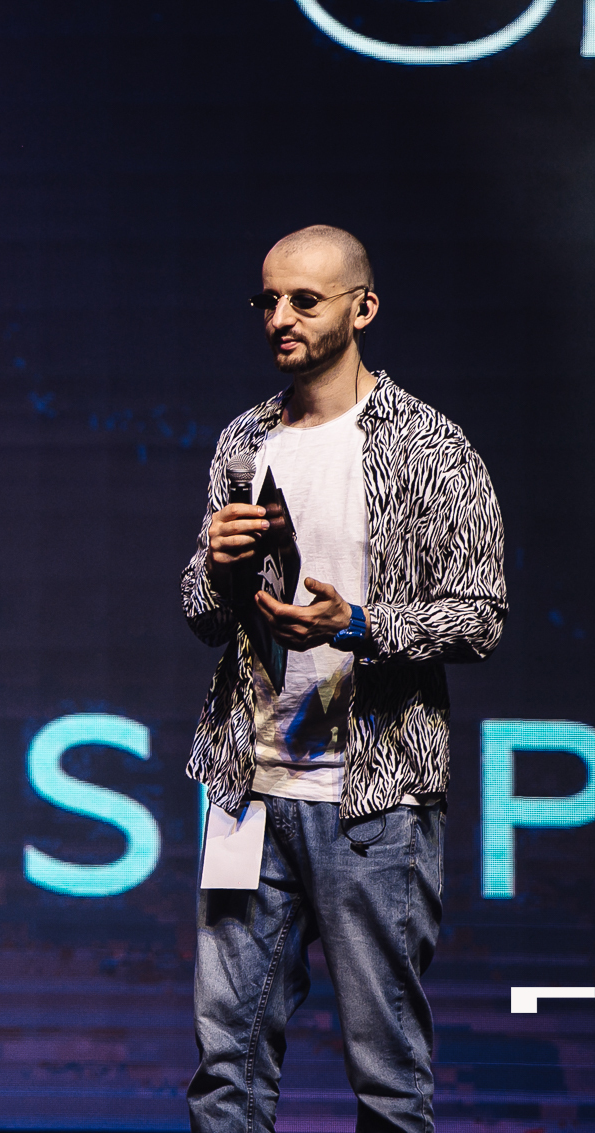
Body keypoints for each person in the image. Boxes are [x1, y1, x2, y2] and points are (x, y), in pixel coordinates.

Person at [180, 226, 506, 1130]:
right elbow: (202, 614)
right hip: (246, 787)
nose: (279, 318)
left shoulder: (429, 447)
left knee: (388, 1076)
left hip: (373, 799)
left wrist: (356, 625)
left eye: (304, 301)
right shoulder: (244, 440)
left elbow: (481, 614)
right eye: (268, 301)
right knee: (226, 1068)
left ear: (363, 308)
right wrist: (218, 567)